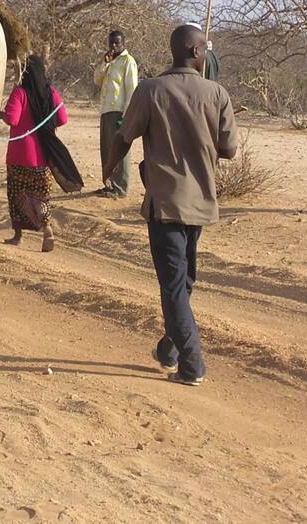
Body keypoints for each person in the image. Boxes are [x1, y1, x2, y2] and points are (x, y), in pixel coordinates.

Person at [104, 25, 238, 386]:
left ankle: (192, 365)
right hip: (201, 201)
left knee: (176, 285)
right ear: (197, 52)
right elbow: (229, 149)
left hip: (166, 202)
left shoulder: (150, 90)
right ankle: (170, 349)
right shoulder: (217, 94)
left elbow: (123, 136)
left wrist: (108, 169)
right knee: (183, 281)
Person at [0, 55, 80, 251]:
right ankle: (47, 230)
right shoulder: (51, 92)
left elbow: (13, 119)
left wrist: (0, 114)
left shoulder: (20, 92)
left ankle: (18, 236)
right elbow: (62, 118)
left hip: (19, 154)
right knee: (41, 197)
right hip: (42, 157)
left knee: (17, 194)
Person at [93, 30, 139, 198]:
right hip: (106, 111)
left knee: (120, 149)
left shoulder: (128, 61)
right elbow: (97, 81)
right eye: (111, 42)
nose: (113, 46)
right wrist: (104, 64)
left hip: (119, 112)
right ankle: (109, 184)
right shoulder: (109, 61)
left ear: (123, 43)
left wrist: (127, 115)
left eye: (117, 43)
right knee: (107, 148)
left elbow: (131, 90)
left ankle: (120, 187)